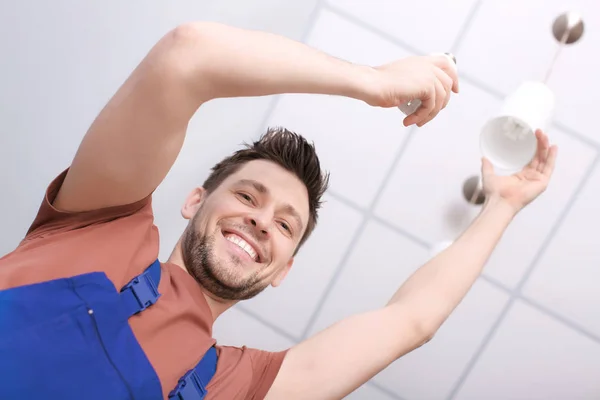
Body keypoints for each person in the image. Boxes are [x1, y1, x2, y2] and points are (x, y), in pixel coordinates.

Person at [0, 21, 557, 400]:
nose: (263, 220)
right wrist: (369, 82)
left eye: (286, 226)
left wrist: (503, 205)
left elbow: (411, 321)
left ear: (282, 270)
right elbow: (186, 56)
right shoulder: (100, 228)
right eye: (247, 196)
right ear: (195, 200)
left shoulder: (236, 384)